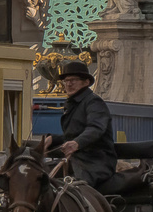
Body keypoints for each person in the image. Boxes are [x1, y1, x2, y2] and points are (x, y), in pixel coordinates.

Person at [48, 61, 116, 189]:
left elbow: (96, 128)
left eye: (73, 80)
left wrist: (77, 143)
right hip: (75, 160)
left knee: (77, 188)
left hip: (95, 163)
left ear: (86, 82)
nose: (68, 84)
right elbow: (74, 134)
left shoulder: (94, 102)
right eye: (66, 80)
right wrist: (52, 139)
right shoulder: (73, 103)